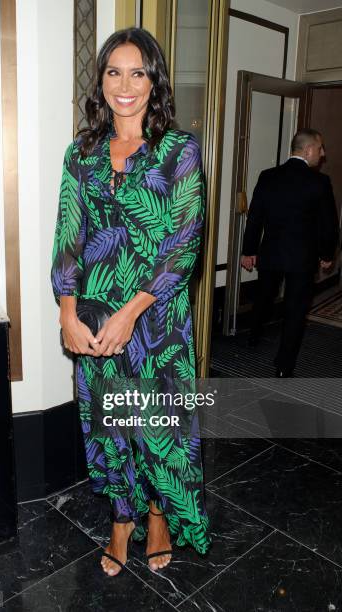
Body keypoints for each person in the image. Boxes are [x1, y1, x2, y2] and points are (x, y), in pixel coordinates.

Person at [51, 27, 211, 577]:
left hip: (156, 324)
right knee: (109, 426)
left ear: (154, 81)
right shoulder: (82, 153)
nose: (126, 84)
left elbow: (184, 242)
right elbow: (68, 235)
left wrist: (132, 311)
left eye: (138, 72)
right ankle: (122, 520)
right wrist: (68, 313)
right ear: (100, 82)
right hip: (94, 323)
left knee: (158, 430)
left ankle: (159, 516)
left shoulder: (179, 151)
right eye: (114, 71)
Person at [241, 128, 339, 377]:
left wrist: (248, 250)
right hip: (302, 259)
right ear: (308, 150)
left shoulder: (268, 176)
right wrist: (328, 254)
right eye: (320, 148)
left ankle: (253, 337)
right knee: (296, 312)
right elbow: (328, 224)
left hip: (271, 254)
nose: (323, 153)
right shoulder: (320, 182)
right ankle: (284, 366)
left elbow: (255, 217)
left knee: (263, 297)